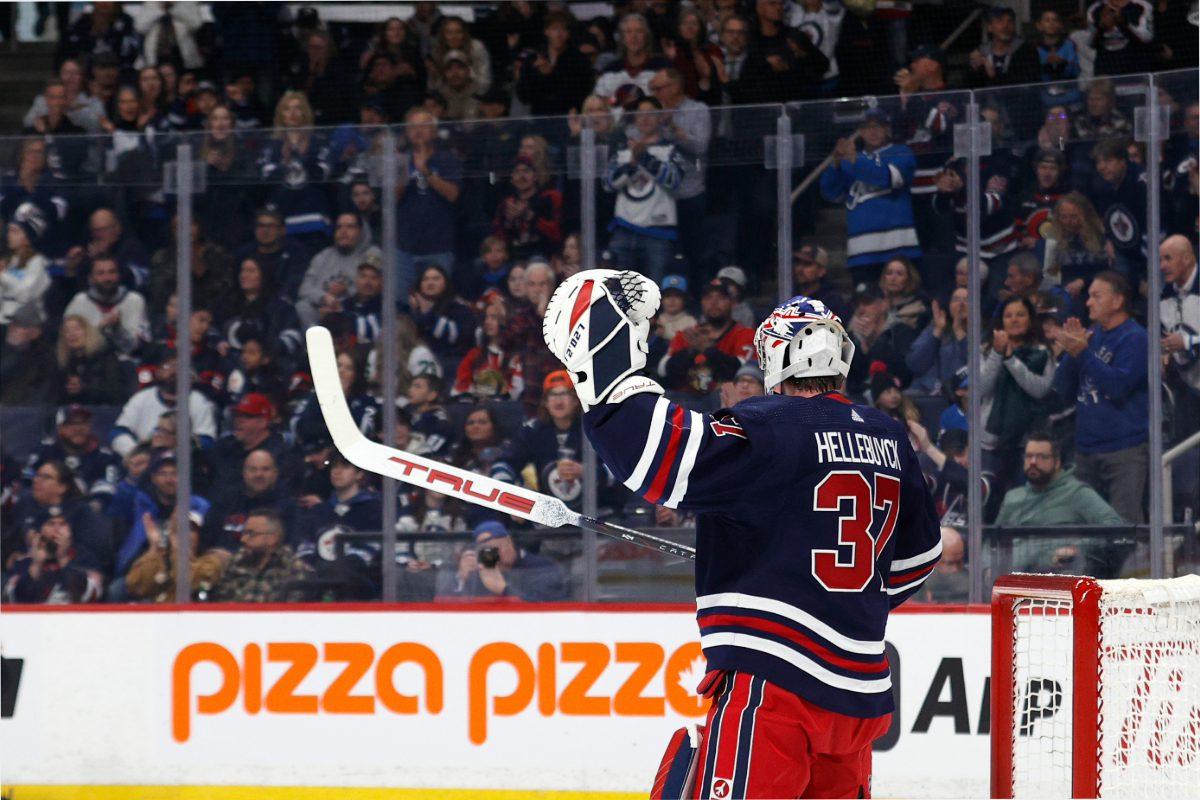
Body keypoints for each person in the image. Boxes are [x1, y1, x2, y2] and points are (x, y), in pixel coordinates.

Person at [541, 273, 940, 797]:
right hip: (859, 694)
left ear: (775, 358)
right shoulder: (888, 434)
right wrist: (833, 584)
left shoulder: (770, 425)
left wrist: (606, 370)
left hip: (775, 683)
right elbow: (920, 556)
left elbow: (658, 457)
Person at [1052, 272, 1148, 524]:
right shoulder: (1092, 335)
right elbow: (1061, 389)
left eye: (1096, 296)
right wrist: (1071, 354)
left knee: (1122, 530)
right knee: (1084, 527)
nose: (1088, 302)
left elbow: (1118, 386)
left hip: (1123, 450)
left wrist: (1082, 353)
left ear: (1117, 301)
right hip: (1085, 449)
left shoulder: (1135, 338)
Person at [996, 433, 1125, 575]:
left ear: (1056, 462)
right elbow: (994, 541)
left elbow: (1114, 525)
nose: (1033, 462)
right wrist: (986, 568)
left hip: (1056, 577)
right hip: (1011, 579)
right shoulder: (1012, 497)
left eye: (1041, 457)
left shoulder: (1076, 493)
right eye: (1029, 456)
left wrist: (1079, 547)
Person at [820, 109, 921, 285]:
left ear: (887, 128)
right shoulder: (851, 160)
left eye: (878, 126)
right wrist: (835, 163)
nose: (872, 132)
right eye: (866, 127)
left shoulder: (901, 152)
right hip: (861, 252)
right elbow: (831, 193)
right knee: (866, 306)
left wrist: (854, 160)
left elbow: (888, 178)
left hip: (898, 248)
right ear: (859, 132)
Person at [603, 97, 684, 284]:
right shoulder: (622, 150)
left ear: (660, 118)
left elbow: (674, 181)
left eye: (651, 114)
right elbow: (608, 183)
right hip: (624, 229)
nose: (645, 119)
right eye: (640, 114)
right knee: (621, 296)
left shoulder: (671, 150)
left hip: (658, 234)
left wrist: (644, 158)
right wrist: (631, 164)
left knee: (655, 294)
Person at [395, 108, 463, 299]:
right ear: (407, 132)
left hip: (438, 246)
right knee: (402, 302)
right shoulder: (399, 160)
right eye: (413, 126)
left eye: (423, 126)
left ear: (434, 132)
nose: (417, 131)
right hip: (403, 248)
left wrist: (424, 170)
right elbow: (391, 199)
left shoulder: (448, 159)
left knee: (438, 301)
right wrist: (408, 170)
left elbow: (453, 194)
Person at [110, 354, 218, 456]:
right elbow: (118, 432)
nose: (175, 370)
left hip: (183, 462)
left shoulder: (198, 401)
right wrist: (137, 453)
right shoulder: (141, 398)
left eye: (181, 366)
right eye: (168, 366)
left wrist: (174, 450)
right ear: (158, 372)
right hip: (143, 460)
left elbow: (207, 441)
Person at [661, 279, 756, 396]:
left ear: (732, 303)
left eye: (721, 298)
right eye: (708, 298)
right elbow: (663, 371)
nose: (714, 302)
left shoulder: (746, 335)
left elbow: (747, 375)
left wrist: (709, 350)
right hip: (686, 404)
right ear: (701, 303)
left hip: (725, 404)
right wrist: (690, 352)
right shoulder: (687, 335)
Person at [436, 520, 568, 602]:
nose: (495, 555)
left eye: (497, 548)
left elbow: (546, 610)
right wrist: (461, 580)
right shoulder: (479, 572)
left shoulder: (541, 567)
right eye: (487, 551)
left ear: (509, 542)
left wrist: (503, 589)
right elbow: (443, 608)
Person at [207, 507, 314, 603]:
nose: (243, 539)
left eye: (251, 534)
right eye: (244, 533)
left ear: (272, 539)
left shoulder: (294, 569)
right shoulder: (236, 561)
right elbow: (218, 602)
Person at [25, 404, 123, 506]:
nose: (79, 428)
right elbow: (27, 482)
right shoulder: (44, 450)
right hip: (44, 509)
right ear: (60, 428)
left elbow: (105, 491)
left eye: (83, 423)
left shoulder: (105, 457)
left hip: (87, 512)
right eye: (72, 424)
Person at [297, 213, 382, 329]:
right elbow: (304, 289)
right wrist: (324, 297)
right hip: (322, 310)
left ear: (361, 231)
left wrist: (346, 293)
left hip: (354, 310)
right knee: (302, 306)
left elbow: (373, 287)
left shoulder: (372, 253)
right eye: (339, 227)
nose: (343, 231)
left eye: (350, 227)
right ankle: (318, 343)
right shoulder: (323, 256)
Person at [125, 508, 227, 603]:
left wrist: (179, 554)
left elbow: (191, 583)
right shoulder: (160, 559)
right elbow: (136, 587)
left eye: (190, 529)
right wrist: (154, 548)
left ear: (199, 535)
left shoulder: (212, 561)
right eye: (179, 529)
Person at [4, 513, 104, 604]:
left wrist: (63, 558)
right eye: (50, 524)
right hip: (33, 621)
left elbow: (90, 596)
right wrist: (36, 564)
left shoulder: (85, 558)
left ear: (70, 532)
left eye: (63, 524)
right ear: (39, 533)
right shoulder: (24, 562)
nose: (57, 529)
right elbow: (16, 600)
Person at [62, 254, 148, 357]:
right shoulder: (80, 301)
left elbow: (136, 347)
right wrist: (100, 328)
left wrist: (118, 329)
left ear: (118, 275)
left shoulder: (134, 300)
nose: (107, 278)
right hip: (88, 362)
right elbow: (67, 342)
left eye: (112, 272)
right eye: (100, 273)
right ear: (91, 278)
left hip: (126, 364)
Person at [232, 207, 311, 303]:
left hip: (281, 305)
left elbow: (294, 285)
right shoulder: (243, 254)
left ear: (282, 230)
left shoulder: (295, 252)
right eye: (260, 225)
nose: (265, 230)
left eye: (271, 226)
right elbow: (235, 287)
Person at [907, 288, 969, 395]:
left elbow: (976, 365)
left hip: (963, 394)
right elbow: (915, 364)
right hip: (928, 392)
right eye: (956, 299)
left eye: (967, 299)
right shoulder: (934, 328)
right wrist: (937, 331)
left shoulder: (982, 333)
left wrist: (959, 331)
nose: (961, 304)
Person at [0, 304, 60, 406]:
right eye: (12, 323)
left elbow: (38, 396)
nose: (12, 328)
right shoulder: (3, 346)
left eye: (19, 325)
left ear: (35, 333)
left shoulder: (43, 362)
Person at [967, 7, 1041, 89]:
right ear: (990, 27)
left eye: (1010, 21)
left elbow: (1026, 84)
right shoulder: (982, 52)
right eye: (1000, 21)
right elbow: (970, 87)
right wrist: (973, 69)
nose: (1005, 25)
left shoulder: (1027, 51)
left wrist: (992, 73)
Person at [1087, 0, 1154, 76]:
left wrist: (1123, 23)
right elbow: (1090, 43)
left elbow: (1147, 38)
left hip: (1135, 68)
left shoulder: (1142, 6)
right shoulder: (1094, 9)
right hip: (1105, 70)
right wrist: (1101, 27)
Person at [792, 244, 850, 322]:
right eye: (798, 263)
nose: (799, 269)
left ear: (821, 271)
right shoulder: (787, 295)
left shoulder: (832, 302)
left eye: (807, 264)